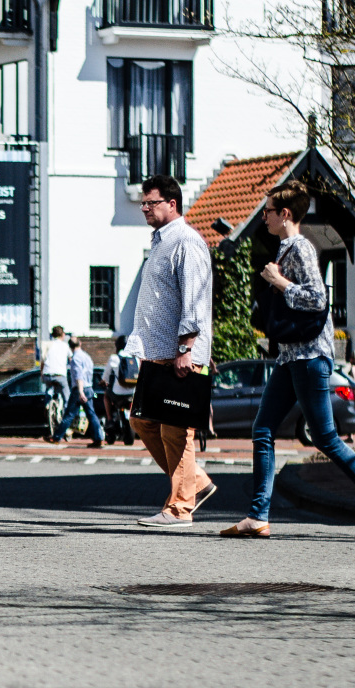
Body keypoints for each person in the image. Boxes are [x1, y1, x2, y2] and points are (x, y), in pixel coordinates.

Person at [221, 180, 355, 539]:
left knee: (326, 438)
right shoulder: (287, 248)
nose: (264, 217)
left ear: (285, 214)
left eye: (268, 211)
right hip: (290, 357)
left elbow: (318, 299)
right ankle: (258, 516)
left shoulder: (299, 247)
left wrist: (279, 282)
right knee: (263, 429)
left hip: (310, 356)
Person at [125, 175, 218, 529]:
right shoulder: (161, 242)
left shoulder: (186, 242)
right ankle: (196, 482)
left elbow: (193, 298)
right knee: (142, 420)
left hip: (177, 353)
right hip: (157, 351)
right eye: (143, 203)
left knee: (175, 430)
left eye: (151, 202)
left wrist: (187, 347)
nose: (145, 208)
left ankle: (180, 508)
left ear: (172, 204)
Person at [47, 336, 105, 447]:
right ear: (80, 343)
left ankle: (57, 437)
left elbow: (79, 376)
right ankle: (99, 438)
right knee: (91, 414)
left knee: (69, 414)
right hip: (89, 388)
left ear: (70, 346)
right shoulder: (87, 357)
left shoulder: (75, 359)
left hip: (79, 389)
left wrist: (80, 391)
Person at [100, 335, 136, 442]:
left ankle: (110, 419)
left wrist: (103, 381)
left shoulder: (114, 358)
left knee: (106, 395)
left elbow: (105, 376)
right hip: (132, 393)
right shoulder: (134, 358)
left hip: (117, 393)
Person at [41, 325, 71, 404]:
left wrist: (42, 375)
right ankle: (67, 414)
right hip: (60, 375)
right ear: (63, 335)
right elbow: (71, 359)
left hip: (47, 375)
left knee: (49, 389)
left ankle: (47, 405)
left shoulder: (47, 345)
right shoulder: (65, 346)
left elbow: (42, 361)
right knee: (67, 397)